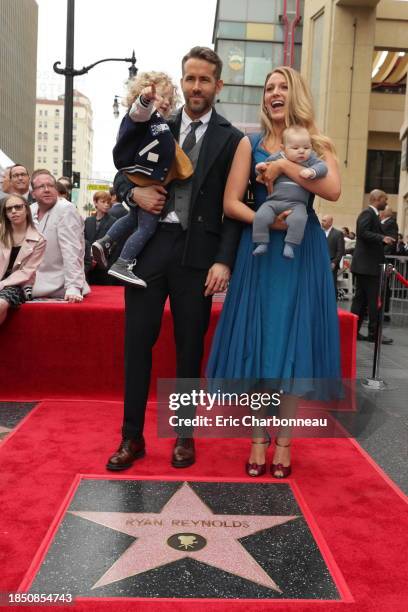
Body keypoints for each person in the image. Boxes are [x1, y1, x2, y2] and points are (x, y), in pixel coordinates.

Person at [106, 46, 243, 472]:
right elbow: (121, 170)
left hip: (197, 258)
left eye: (205, 80)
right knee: (136, 345)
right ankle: (132, 437)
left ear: (217, 85)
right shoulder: (157, 124)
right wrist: (134, 193)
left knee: (188, 349)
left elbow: (235, 206)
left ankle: (183, 435)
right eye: (190, 79)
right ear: (182, 81)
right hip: (147, 251)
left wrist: (223, 261)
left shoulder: (232, 138)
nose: (196, 87)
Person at [206, 67, 342, 479]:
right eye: (269, 88)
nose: (274, 93)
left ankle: (284, 445)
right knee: (261, 344)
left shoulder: (320, 144)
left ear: (296, 93)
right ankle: (258, 441)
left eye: (283, 87)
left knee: (292, 347)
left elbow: (332, 190)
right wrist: (269, 222)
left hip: (303, 257)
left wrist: (284, 167)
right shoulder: (249, 144)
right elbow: (231, 203)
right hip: (261, 251)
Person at [92, 72, 192, 287]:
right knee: (146, 227)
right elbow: (139, 112)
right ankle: (122, 263)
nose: (165, 101)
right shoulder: (143, 116)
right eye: (160, 96)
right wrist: (146, 99)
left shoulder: (163, 124)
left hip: (150, 181)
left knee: (133, 219)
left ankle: (106, 242)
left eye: (169, 98)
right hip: (147, 180)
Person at [253, 125, 327, 258]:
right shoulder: (277, 157)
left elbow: (323, 167)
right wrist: (260, 168)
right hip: (274, 201)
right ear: (283, 149)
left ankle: (290, 245)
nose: (301, 151)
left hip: (297, 204)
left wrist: (312, 171)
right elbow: (263, 170)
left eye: (306, 148)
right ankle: (261, 242)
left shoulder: (310, 160)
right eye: (295, 148)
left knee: (299, 219)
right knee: (261, 216)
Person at [30, 170, 89, 302]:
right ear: (33, 193)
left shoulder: (66, 209)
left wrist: (73, 286)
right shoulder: (31, 209)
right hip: (32, 284)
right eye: (41, 187)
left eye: (51, 186)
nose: (47, 190)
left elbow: (72, 250)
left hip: (61, 286)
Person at [350, 189, 395, 344]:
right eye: (385, 199)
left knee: (360, 301)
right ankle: (374, 334)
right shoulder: (368, 214)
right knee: (373, 302)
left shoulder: (372, 215)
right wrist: (383, 238)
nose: (386, 202)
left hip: (365, 266)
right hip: (368, 267)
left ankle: (353, 331)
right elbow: (363, 233)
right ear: (377, 199)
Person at [0, 194, 46, 325]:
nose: (13, 211)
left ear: (26, 209)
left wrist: (3, 284)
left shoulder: (39, 239)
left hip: (18, 284)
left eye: (18, 207)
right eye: (9, 209)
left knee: (1, 304)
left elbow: (27, 271)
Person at [84, 191, 116, 285]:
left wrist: (99, 258)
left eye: (108, 203)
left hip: (104, 264)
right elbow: (85, 241)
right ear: (95, 202)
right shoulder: (88, 221)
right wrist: (90, 258)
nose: (106, 205)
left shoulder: (113, 221)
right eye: (103, 202)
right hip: (90, 266)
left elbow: (114, 243)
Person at [321, 214, 345, 295]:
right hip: (319, 263)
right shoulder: (319, 232)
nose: (322, 222)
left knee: (331, 285)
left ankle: (332, 305)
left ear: (330, 222)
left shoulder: (338, 234)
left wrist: (334, 262)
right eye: (322, 220)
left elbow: (340, 250)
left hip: (331, 263)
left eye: (324, 221)